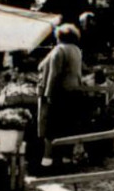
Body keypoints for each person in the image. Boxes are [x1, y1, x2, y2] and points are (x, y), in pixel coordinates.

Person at [37, 23, 86, 170]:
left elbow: (54, 74)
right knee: (69, 127)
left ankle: (47, 161)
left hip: (60, 94)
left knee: (51, 128)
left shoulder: (59, 50)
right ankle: (66, 159)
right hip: (75, 92)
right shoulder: (77, 50)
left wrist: (48, 95)